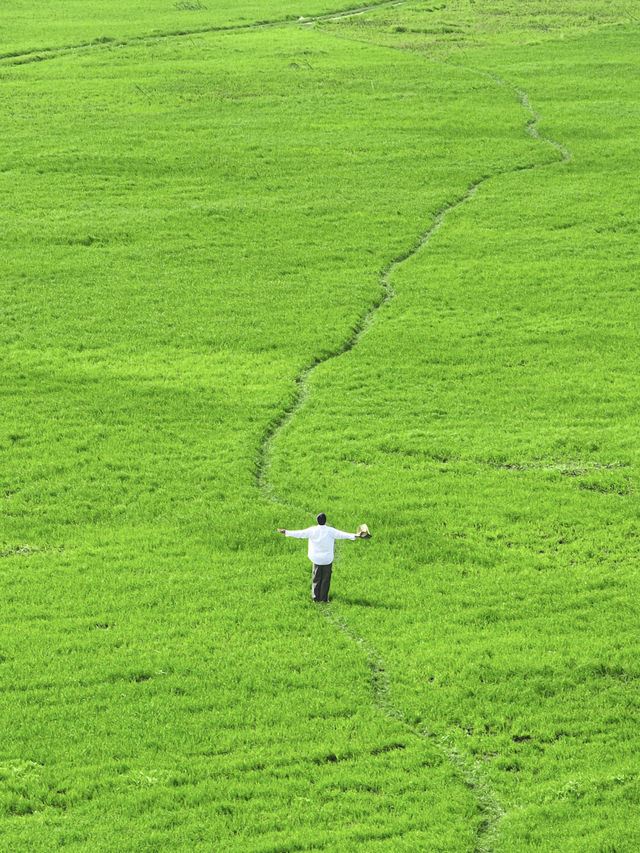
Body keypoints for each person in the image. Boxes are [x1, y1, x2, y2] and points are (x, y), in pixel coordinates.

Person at [278, 513, 360, 602]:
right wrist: (355, 535)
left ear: (317, 521)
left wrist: (286, 532)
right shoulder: (330, 531)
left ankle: (316, 598)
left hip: (316, 559)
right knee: (326, 579)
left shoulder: (312, 530)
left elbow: (299, 533)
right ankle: (324, 599)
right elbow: (342, 534)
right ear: (325, 521)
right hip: (327, 560)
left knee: (316, 578)